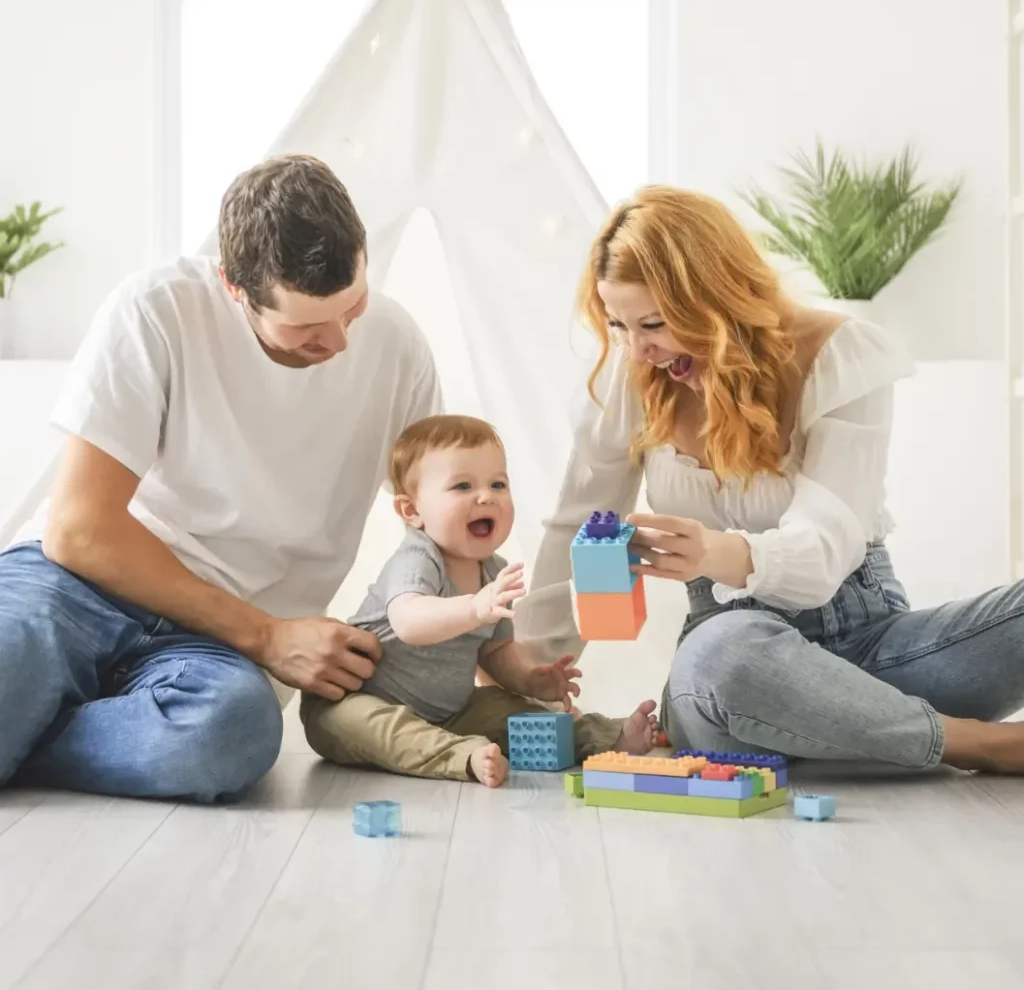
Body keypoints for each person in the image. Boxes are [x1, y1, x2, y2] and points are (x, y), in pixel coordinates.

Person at [516, 184, 1024, 775]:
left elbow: (827, 547)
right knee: (722, 654)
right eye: (619, 325)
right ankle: (978, 743)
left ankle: (864, 730)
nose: (637, 351)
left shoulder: (837, 354)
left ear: (716, 293)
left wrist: (713, 549)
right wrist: (532, 673)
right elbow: (575, 523)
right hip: (733, 675)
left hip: (872, 649)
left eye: (653, 323)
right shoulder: (630, 384)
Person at [0, 154, 442, 802]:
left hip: (207, 652)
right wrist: (268, 636)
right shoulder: (156, 311)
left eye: (351, 307)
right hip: (73, 590)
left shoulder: (397, 346)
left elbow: (437, 512)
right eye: (306, 329)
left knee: (231, 733)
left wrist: (486, 640)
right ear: (235, 287)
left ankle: (30, 736)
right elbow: (78, 532)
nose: (340, 342)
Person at [301, 414, 658, 787]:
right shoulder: (419, 558)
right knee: (375, 727)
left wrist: (533, 679)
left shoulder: (492, 572)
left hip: (450, 712)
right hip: (355, 700)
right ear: (412, 512)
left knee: (515, 712)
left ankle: (605, 738)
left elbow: (496, 654)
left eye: (498, 484)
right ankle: (462, 757)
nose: (486, 495)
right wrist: (474, 608)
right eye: (462, 486)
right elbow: (409, 622)